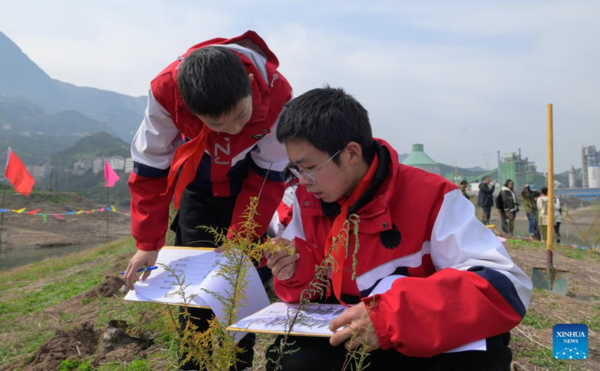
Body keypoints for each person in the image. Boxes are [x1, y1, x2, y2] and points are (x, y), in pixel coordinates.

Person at [264, 87, 532, 370]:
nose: (303, 182)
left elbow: (505, 286)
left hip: (417, 333)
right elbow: (312, 290)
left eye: (309, 168)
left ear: (352, 153)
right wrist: (293, 270)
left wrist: (390, 317)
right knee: (286, 360)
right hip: (349, 332)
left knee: (484, 358)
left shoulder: (433, 197)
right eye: (295, 170)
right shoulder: (308, 202)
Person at [124, 31, 292, 370]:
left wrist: (241, 238)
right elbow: (150, 169)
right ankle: (194, 362)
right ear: (187, 105)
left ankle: (239, 362)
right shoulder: (166, 91)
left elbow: (268, 175)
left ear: (249, 83)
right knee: (193, 287)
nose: (231, 130)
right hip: (198, 188)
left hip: (249, 188)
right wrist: (147, 242)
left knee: (239, 279)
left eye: (241, 117)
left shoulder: (277, 93)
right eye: (217, 123)